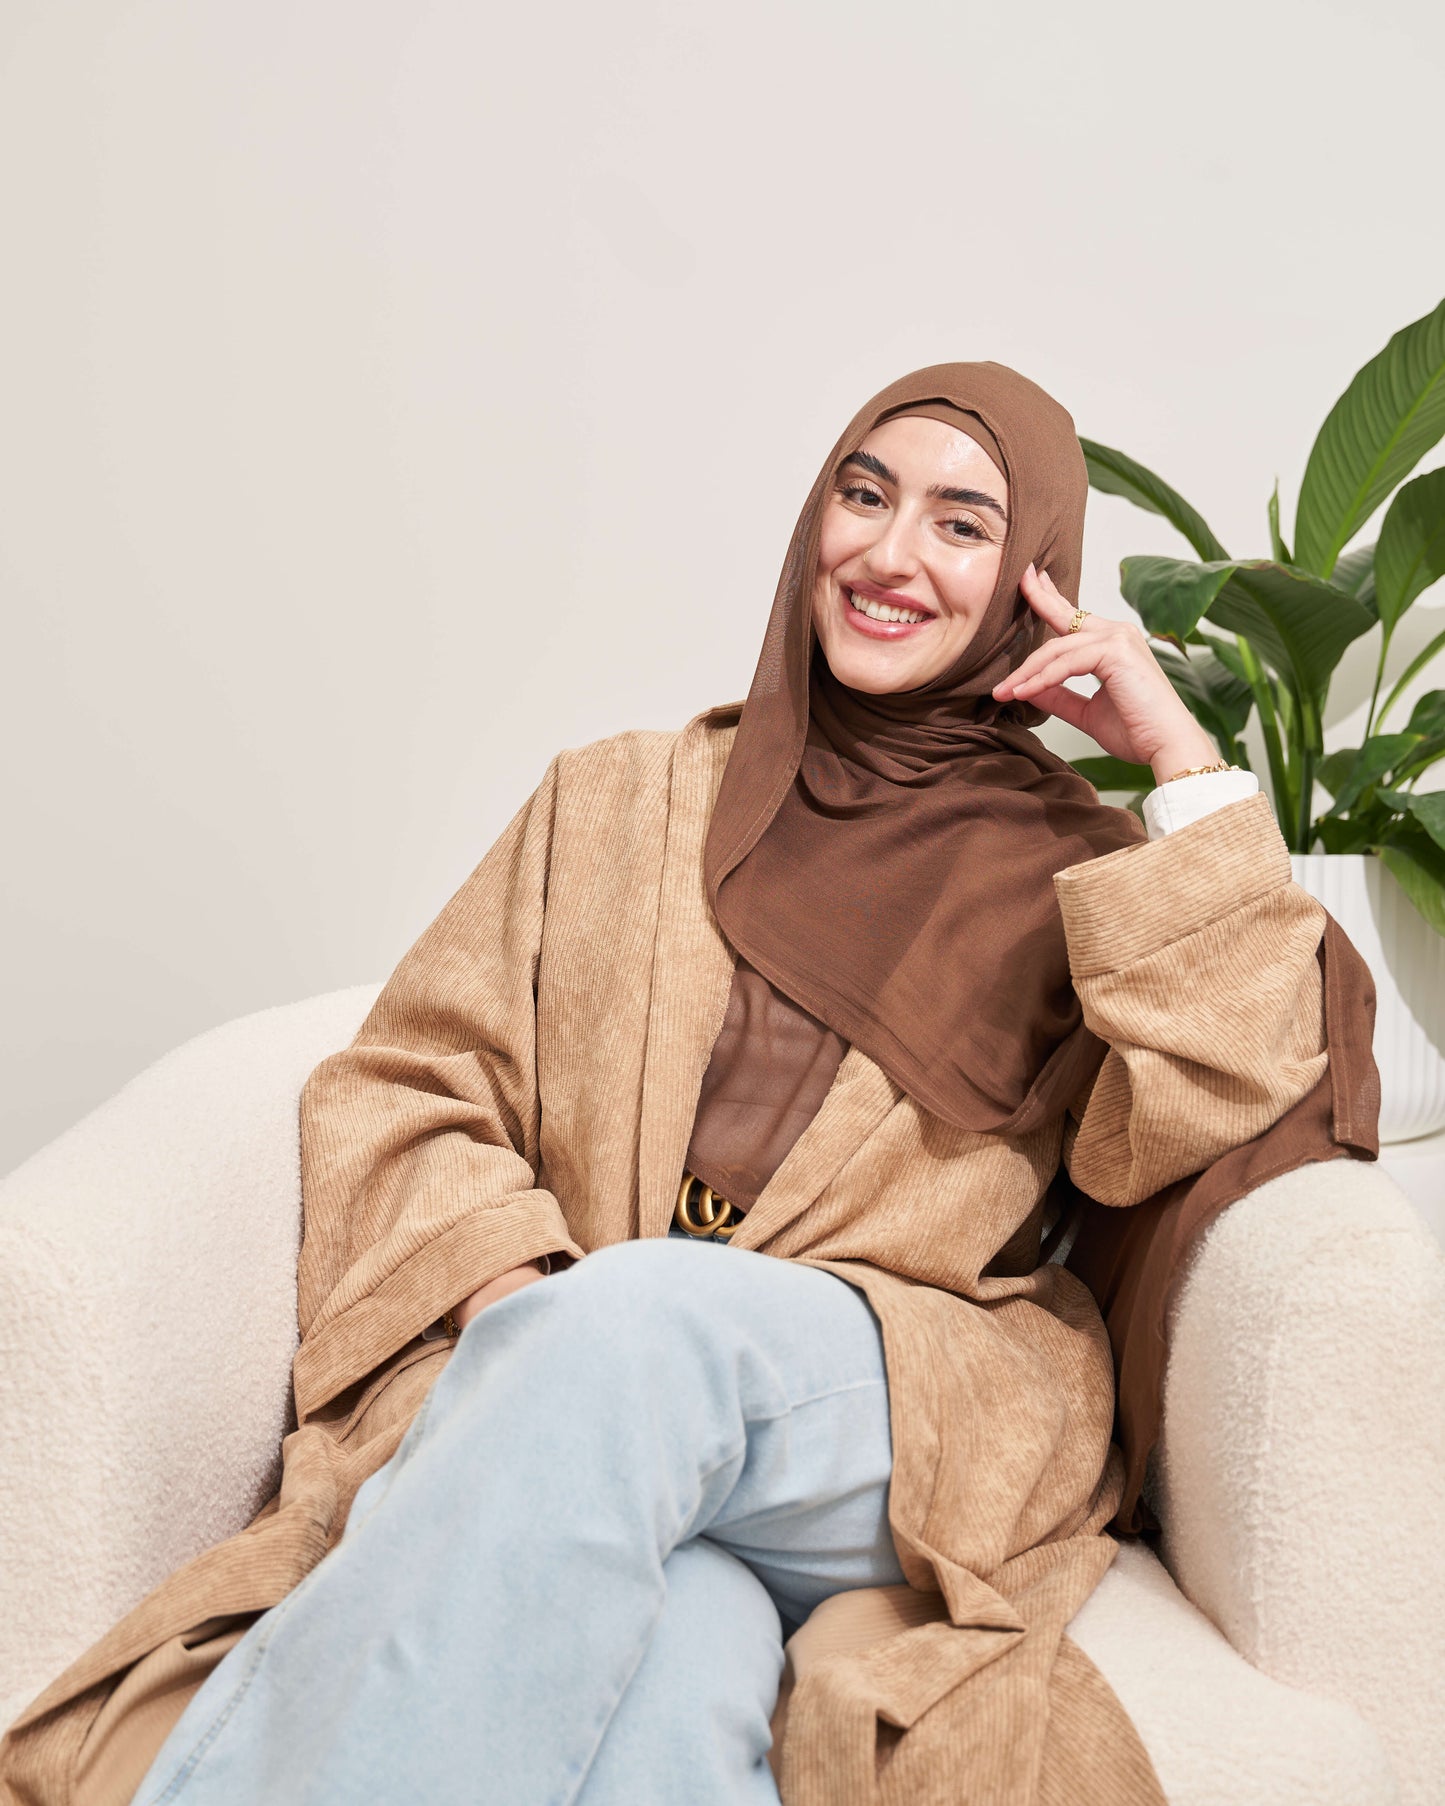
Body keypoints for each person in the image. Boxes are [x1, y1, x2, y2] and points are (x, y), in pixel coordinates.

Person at [1, 363, 1366, 1806]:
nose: (890, 552)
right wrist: (522, 1306)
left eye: (962, 524)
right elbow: (410, 1078)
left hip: (899, 1405)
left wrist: (1173, 753)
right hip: (592, 1386)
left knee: (640, 1327)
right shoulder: (619, 795)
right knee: (682, 1654)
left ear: (1035, 580)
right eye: (862, 494)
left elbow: (1224, 1088)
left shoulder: (1080, 866)